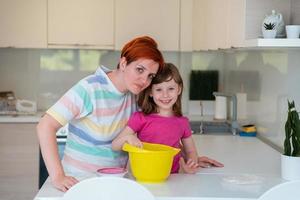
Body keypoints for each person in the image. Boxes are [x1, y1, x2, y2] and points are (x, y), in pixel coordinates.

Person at [36, 36, 164, 192]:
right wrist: (58, 176)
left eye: (150, 76)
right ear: (124, 63)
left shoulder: (134, 95)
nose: (144, 80)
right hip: (79, 184)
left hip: (115, 184)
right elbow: (45, 125)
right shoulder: (90, 89)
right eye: (140, 69)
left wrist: (188, 156)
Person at [112, 63, 223, 174]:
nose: (165, 95)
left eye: (170, 88)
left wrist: (192, 163)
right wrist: (128, 139)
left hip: (173, 178)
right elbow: (115, 145)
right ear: (151, 92)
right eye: (159, 89)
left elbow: (190, 151)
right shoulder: (140, 118)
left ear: (178, 89)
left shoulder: (182, 122)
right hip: (144, 177)